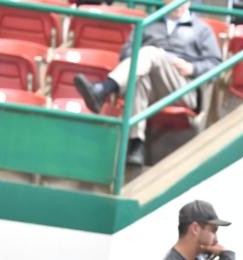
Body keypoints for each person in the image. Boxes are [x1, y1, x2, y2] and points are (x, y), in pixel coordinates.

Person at [73, 2, 222, 166]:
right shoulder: (149, 23)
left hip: (183, 87)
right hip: (151, 83)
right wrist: (147, 59)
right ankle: (136, 146)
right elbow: (126, 53)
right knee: (139, 80)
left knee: (151, 52)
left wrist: (192, 67)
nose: (178, 4)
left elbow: (215, 65)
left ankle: (104, 89)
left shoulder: (201, 29)